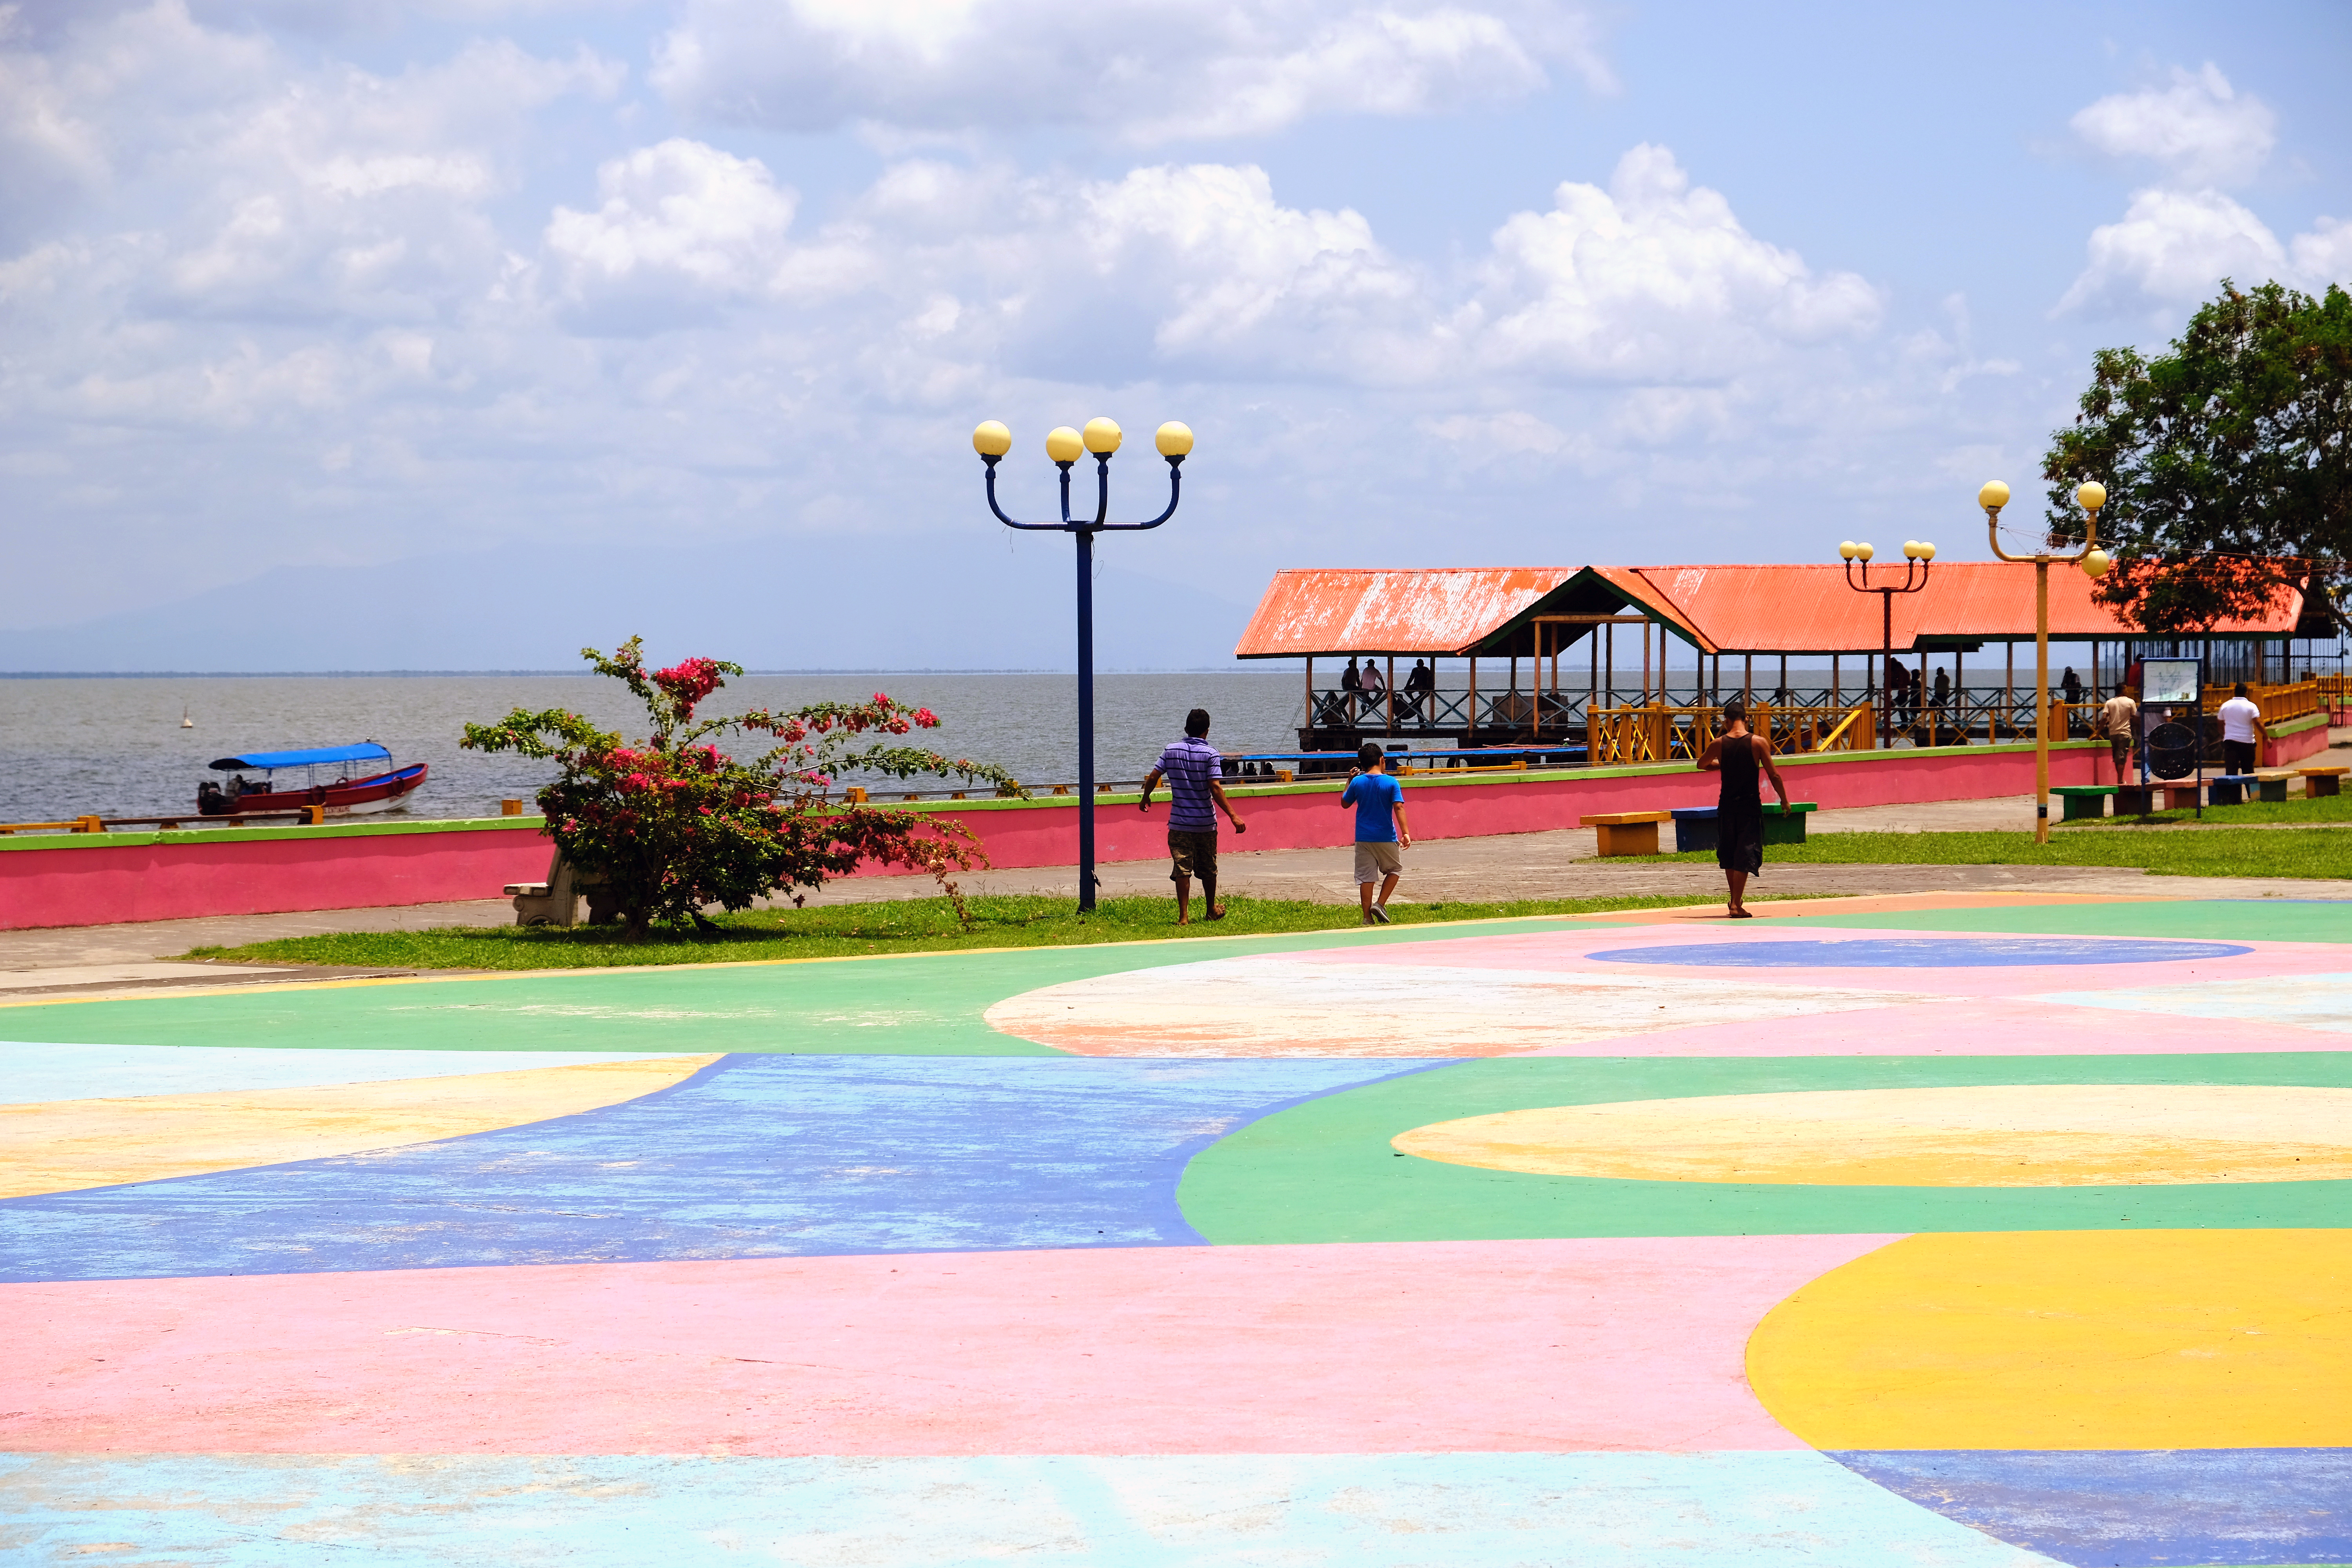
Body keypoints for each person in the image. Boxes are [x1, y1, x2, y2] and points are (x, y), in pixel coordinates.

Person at [1139, 707, 1247, 924]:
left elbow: (1153, 777)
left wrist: (1145, 798)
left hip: (1179, 822)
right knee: (1208, 868)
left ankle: (1184, 917)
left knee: (1182, 869)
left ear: (1187, 729)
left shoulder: (1171, 750)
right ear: (1207, 731)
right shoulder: (1210, 754)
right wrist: (1234, 816)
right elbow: (1215, 788)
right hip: (1205, 823)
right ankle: (1211, 910)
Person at [1697, 699, 1789, 919]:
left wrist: (1722, 765)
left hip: (1727, 804)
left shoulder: (1718, 744)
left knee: (1730, 850)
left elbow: (1701, 765)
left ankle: (1735, 901)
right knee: (1746, 851)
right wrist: (1784, 800)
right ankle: (1736, 904)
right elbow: (1774, 774)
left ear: (1726, 721)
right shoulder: (1758, 743)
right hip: (1749, 804)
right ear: (1747, 719)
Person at [1340, 741, 1410, 924]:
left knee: (1366, 877)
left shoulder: (1357, 782)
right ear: (1382, 760)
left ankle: (1366, 917)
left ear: (1362, 765)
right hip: (1386, 836)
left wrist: (1349, 781)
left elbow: (1345, 803)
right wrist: (1406, 833)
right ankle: (1379, 904)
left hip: (1363, 838)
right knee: (1395, 870)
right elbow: (1399, 807)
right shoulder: (1391, 782)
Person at [2219, 681, 2262, 776]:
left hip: (2230, 742)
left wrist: (2225, 735)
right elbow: (2258, 723)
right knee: (2249, 772)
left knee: (2231, 772)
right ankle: (2251, 791)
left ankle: (2233, 791)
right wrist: (2267, 737)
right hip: (2247, 743)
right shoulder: (2251, 706)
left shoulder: (2225, 706)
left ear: (2234, 692)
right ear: (2246, 693)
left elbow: (2220, 723)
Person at [2099, 686, 2138, 784]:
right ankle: (2120, 781)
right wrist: (2141, 727)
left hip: (2113, 733)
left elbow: (2104, 718)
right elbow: (2135, 716)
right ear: (2123, 690)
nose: (2128, 690)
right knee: (2122, 757)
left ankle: (2120, 779)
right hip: (2125, 732)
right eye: (2126, 689)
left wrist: (2098, 732)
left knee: (2116, 757)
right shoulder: (2130, 702)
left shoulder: (2110, 702)